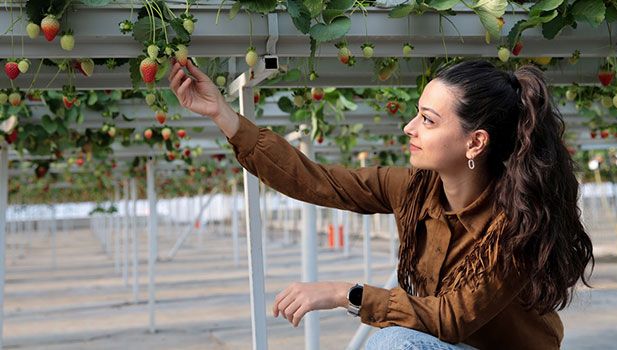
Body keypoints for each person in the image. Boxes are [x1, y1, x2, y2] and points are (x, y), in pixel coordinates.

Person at [168, 58, 594, 349]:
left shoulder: (519, 221)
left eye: (428, 120)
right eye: (416, 113)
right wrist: (222, 114)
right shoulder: (414, 189)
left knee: (393, 341)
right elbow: (320, 182)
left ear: (475, 141)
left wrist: (343, 293)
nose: (409, 127)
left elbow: (451, 318)